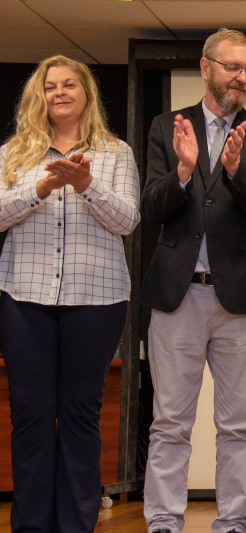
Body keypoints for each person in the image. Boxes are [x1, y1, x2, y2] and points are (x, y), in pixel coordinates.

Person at [139, 28, 246, 533]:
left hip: (240, 299)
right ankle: (163, 520)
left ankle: (232, 523)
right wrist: (182, 171)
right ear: (206, 68)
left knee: (237, 426)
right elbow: (152, 207)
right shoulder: (165, 126)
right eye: (233, 68)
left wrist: (235, 170)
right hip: (177, 293)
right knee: (170, 422)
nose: (242, 78)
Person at [0, 55, 140, 532]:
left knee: (81, 414)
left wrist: (86, 184)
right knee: (31, 413)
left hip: (96, 302)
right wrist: (38, 188)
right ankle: (31, 525)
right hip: (24, 298)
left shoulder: (115, 153)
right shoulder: (13, 153)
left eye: (69, 85)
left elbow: (127, 221)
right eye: (51, 86)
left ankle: (78, 525)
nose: (60, 92)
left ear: (86, 94)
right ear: (39, 97)